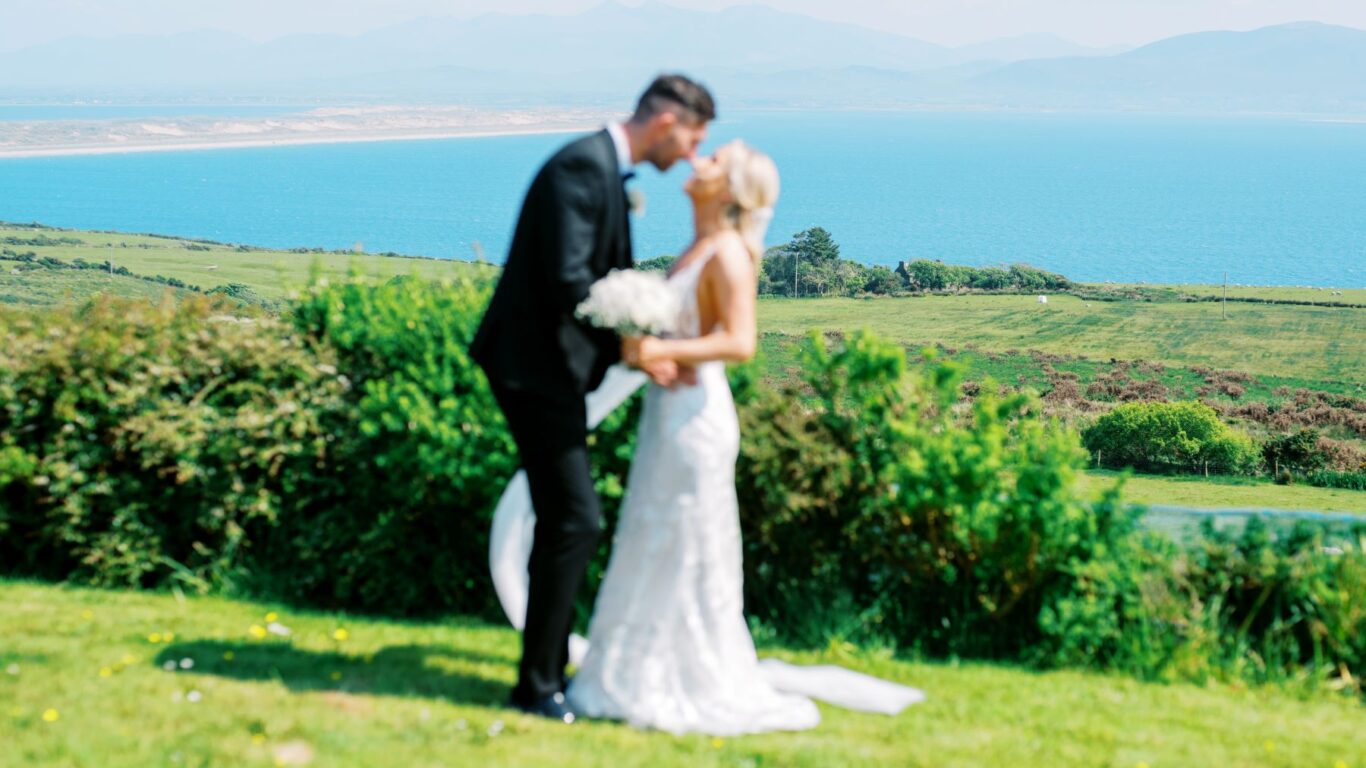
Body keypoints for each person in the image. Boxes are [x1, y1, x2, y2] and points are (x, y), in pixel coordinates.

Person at [468, 74, 716, 723]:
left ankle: (545, 671)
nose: (692, 153)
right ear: (667, 121)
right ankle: (537, 686)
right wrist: (630, 348)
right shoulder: (583, 165)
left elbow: (594, 282)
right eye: (694, 137)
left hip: (552, 369)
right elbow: (570, 282)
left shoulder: (604, 167)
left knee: (566, 519)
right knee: (575, 519)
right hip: (532, 369)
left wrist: (634, 344)